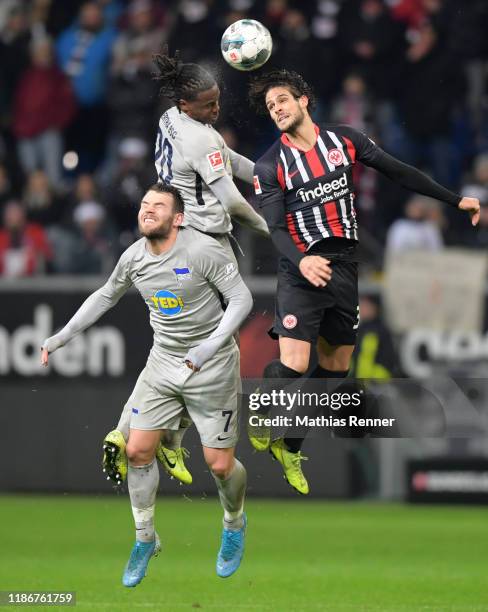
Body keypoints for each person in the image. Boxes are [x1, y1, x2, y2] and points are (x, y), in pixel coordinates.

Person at [247, 68, 480, 494]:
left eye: (281, 100)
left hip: (344, 267)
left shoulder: (345, 140)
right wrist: (301, 262)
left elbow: (398, 170)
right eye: (269, 107)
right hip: (301, 268)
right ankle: (262, 410)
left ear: (303, 100)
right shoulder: (269, 165)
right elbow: (276, 228)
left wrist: (454, 199)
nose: (276, 109)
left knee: (336, 368)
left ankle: (290, 446)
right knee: (295, 364)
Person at [41, 183, 252, 584]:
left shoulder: (203, 250)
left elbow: (241, 299)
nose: (148, 210)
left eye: (158, 206)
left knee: (220, 465)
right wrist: (60, 337)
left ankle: (234, 521)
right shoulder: (134, 257)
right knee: (137, 450)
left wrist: (208, 347)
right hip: (163, 364)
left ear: (179, 218)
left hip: (213, 366)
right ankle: (145, 538)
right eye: (144, 205)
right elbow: (105, 296)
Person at [103, 47, 269, 487]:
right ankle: (159, 434)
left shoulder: (172, 121)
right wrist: (277, 230)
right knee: (213, 341)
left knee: (182, 337)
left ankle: (161, 435)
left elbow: (227, 158)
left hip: (181, 237)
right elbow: (233, 201)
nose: (216, 109)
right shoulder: (198, 136)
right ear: (185, 104)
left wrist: (273, 176)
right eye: (208, 104)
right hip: (201, 242)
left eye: (217, 100)